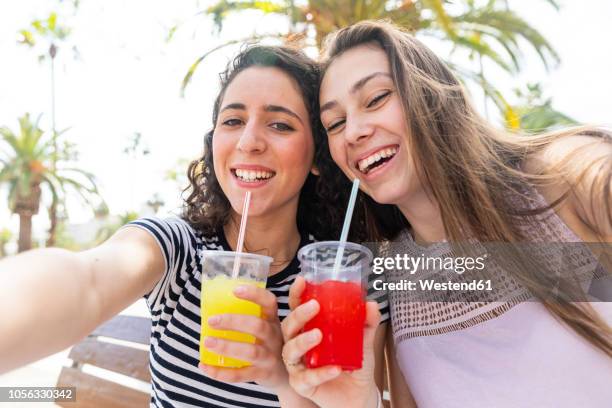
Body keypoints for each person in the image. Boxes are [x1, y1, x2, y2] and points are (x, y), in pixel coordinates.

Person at [0, 45, 389, 407]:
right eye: (233, 120)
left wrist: (281, 377)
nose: (248, 141)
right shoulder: (180, 250)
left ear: (317, 157)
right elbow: (86, 281)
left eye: (280, 125)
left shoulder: (343, 280)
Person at [281, 20, 612, 408]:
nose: (353, 131)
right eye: (335, 123)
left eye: (376, 98)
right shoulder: (396, 281)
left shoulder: (562, 182)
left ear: (430, 94)